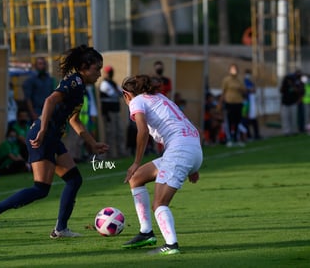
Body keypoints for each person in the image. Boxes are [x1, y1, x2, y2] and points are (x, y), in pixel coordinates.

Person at [0, 45, 109, 238]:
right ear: (84, 66)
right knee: (40, 188)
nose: (99, 74)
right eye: (96, 69)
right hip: (43, 136)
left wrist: (92, 143)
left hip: (52, 137)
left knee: (74, 180)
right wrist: (42, 130)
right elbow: (50, 100)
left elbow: (74, 120)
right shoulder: (74, 81)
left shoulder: (79, 85)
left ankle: (60, 229)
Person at [120, 75, 203, 255]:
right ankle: (146, 232)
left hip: (180, 151)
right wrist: (193, 166)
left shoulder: (137, 101)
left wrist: (136, 162)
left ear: (127, 95)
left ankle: (171, 245)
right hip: (193, 148)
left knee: (159, 203)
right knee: (137, 178)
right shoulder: (161, 98)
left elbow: (142, 131)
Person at [99, 65, 127, 158]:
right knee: (110, 133)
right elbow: (113, 94)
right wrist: (117, 92)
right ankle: (109, 154)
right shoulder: (104, 84)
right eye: (109, 72)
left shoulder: (113, 83)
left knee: (119, 132)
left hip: (116, 111)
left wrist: (117, 92)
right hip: (108, 112)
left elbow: (120, 93)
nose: (110, 74)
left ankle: (121, 152)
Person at [220, 63, 247, 147]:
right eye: (232, 69)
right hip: (229, 102)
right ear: (229, 70)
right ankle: (229, 139)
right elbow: (223, 92)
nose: (234, 71)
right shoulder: (226, 80)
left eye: (235, 69)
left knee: (237, 121)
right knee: (229, 121)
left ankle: (236, 137)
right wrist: (220, 103)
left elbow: (245, 91)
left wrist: (241, 89)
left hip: (238, 102)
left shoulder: (240, 80)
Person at [22, 57, 55, 122]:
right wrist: (33, 113)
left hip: (48, 110)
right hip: (36, 111)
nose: (42, 66)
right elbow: (28, 98)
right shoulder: (31, 80)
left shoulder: (50, 80)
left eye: (44, 64)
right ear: (36, 66)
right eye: (40, 64)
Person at [280, 70, 305, 136]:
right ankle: (286, 132)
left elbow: (300, 91)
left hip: (293, 102)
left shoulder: (297, 82)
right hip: (285, 103)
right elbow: (281, 91)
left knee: (293, 118)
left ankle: (294, 131)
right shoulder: (285, 84)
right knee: (285, 118)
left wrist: (292, 85)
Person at [243, 69, 261, 140]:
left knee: (253, 117)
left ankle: (256, 134)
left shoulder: (250, 82)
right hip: (247, 102)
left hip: (252, 101)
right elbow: (246, 90)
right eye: (247, 73)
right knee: (247, 118)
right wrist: (250, 90)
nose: (248, 75)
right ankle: (248, 135)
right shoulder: (244, 82)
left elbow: (254, 90)